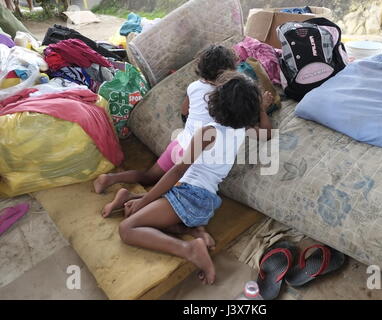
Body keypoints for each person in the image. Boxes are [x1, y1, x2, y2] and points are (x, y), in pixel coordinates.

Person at [102, 72, 273, 284]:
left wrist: (145, 201)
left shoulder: (208, 133)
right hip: (200, 198)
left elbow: (177, 171)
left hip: (190, 195)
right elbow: (267, 133)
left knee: (127, 228)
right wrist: (262, 109)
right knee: (137, 211)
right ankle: (191, 229)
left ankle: (189, 249)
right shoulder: (242, 129)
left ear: (215, 101)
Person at [93, 44, 238, 194]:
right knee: (175, 190)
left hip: (179, 143)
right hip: (195, 153)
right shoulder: (226, 95)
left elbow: (184, 110)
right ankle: (134, 199)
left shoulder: (194, 86)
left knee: (149, 176)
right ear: (228, 71)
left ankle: (110, 179)